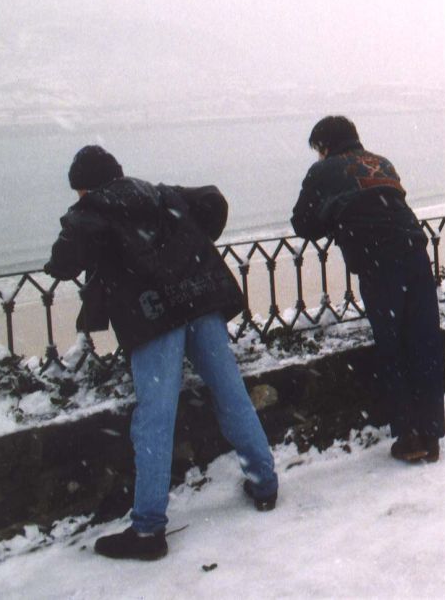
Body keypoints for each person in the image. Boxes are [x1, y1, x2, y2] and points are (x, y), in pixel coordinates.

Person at [45, 146, 277, 561]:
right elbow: (212, 200)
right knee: (231, 393)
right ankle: (264, 482)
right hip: (199, 300)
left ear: (84, 187)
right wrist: (191, 243)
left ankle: (148, 530)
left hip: (153, 315)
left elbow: (62, 262)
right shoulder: (161, 192)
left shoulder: (92, 208)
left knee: (154, 418)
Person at [292, 116, 445, 463]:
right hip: (415, 252)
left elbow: (302, 222)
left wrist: (335, 215)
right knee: (424, 343)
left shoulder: (324, 171)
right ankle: (432, 434)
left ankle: (409, 437)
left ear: (324, 145)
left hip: (379, 262)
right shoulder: (382, 162)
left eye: (318, 149)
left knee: (392, 348)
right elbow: (391, 201)